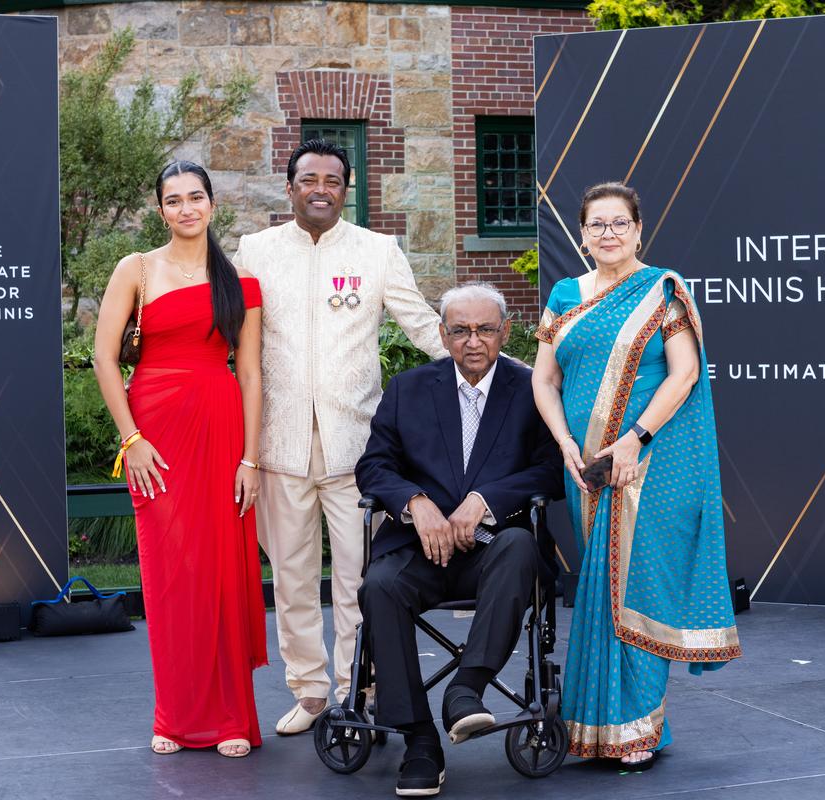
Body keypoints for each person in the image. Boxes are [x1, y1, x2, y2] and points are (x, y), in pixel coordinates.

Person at [232, 139, 448, 736]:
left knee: (359, 579)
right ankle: (310, 691)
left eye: (333, 179)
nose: (320, 188)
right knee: (294, 579)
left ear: (346, 189)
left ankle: (359, 688)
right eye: (309, 178)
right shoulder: (255, 251)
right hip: (279, 446)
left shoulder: (378, 251)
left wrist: (498, 370)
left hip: (360, 451)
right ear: (291, 187)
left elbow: (423, 323)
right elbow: (232, 338)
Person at [532, 182, 741, 769]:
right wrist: (567, 444)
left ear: (639, 229)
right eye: (596, 225)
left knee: (638, 585)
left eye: (619, 223)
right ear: (580, 234)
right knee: (599, 592)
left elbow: (684, 374)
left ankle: (637, 729)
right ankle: (598, 728)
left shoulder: (663, 289)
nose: (608, 234)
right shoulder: (565, 295)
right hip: (586, 470)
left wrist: (633, 440)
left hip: (651, 467)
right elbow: (543, 380)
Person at [355, 282, 564, 797]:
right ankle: (421, 742)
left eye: (485, 329)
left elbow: (550, 470)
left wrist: (487, 499)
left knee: (519, 547)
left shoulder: (532, 389)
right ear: (444, 335)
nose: (474, 340)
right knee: (379, 585)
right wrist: (414, 502)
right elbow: (373, 466)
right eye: (461, 330)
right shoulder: (408, 389)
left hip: (494, 549)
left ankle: (466, 690)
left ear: (506, 332)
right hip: (419, 548)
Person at [93, 161, 267, 758]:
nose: (186, 208)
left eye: (196, 197)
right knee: (169, 573)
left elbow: (249, 373)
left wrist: (251, 459)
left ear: (213, 205)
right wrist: (130, 438)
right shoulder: (136, 269)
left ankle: (227, 719)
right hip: (154, 435)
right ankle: (173, 714)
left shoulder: (240, 283)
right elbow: (104, 357)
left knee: (219, 566)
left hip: (219, 429)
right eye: (174, 200)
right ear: (160, 209)